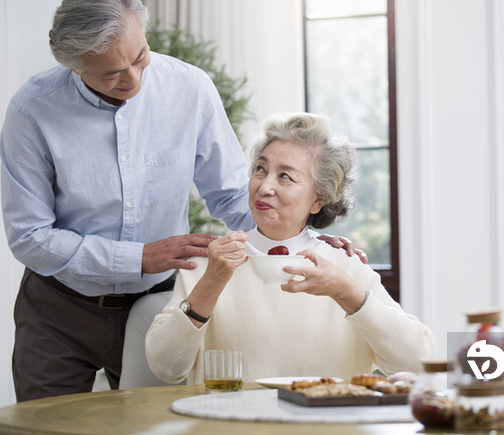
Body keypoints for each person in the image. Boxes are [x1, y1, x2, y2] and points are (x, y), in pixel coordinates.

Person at [0, 0, 363, 402]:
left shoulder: (189, 88)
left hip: (159, 305)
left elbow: (231, 195)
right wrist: (139, 257)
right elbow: (29, 236)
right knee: (44, 434)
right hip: (59, 308)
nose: (133, 79)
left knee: (153, 432)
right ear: (74, 65)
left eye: (140, 58)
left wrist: (304, 236)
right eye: (111, 73)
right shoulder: (33, 109)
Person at [145, 113, 435, 384]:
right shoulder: (209, 264)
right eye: (260, 169)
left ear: (318, 200)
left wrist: (347, 292)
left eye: (285, 176)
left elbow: (417, 364)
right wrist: (212, 282)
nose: (264, 186)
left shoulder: (347, 267)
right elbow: (167, 369)